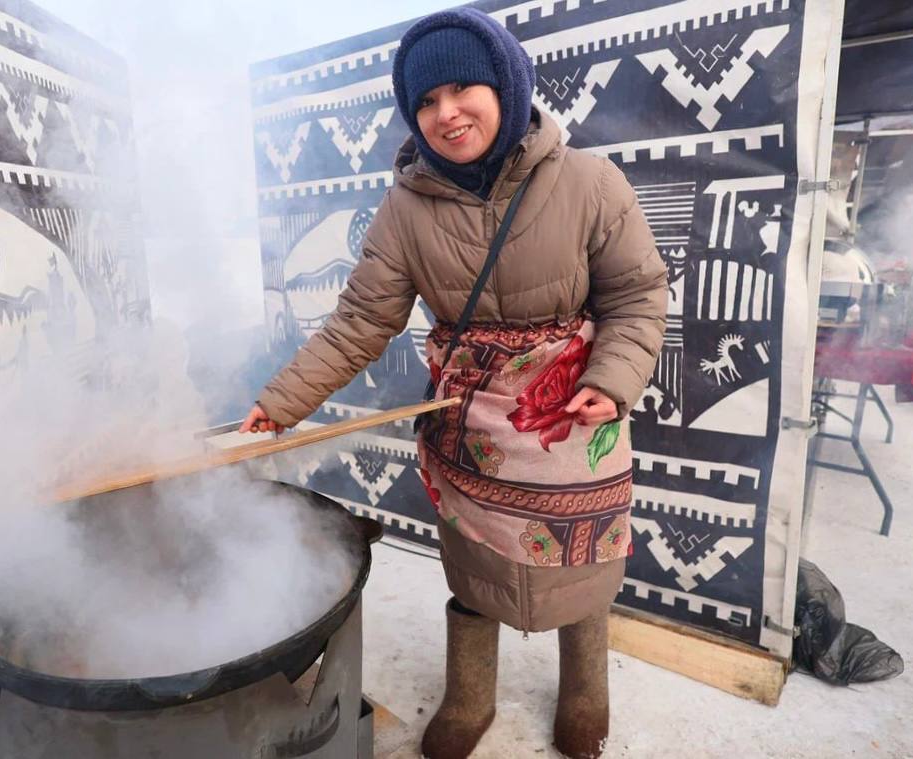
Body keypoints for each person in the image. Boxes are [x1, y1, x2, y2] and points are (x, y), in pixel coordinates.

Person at [241, 8, 667, 758]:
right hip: (470, 422)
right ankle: (470, 699)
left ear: (506, 84)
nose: (445, 113)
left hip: (573, 415)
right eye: (425, 101)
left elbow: (637, 295)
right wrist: (279, 403)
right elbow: (359, 323)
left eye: (462, 88)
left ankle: (585, 695)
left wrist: (614, 377)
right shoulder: (404, 209)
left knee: (583, 563)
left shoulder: (592, 183)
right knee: (476, 568)